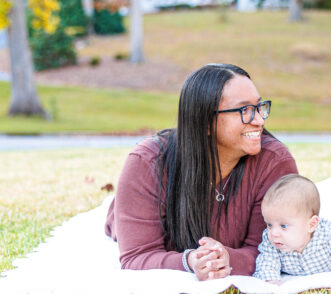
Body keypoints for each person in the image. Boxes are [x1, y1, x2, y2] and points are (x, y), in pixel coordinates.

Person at [104, 63, 298, 280]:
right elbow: (137, 257)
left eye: (259, 106)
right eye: (244, 110)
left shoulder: (275, 163)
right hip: (134, 210)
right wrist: (189, 261)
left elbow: (273, 249)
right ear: (205, 121)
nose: (260, 120)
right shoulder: (148, 163)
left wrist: (227, 260)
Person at [253, 174, 331, 281]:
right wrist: (271, 281)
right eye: (269, 224)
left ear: (311, 225)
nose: (274, 233)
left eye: (283, 226)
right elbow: (267, 262)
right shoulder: (273, 241)